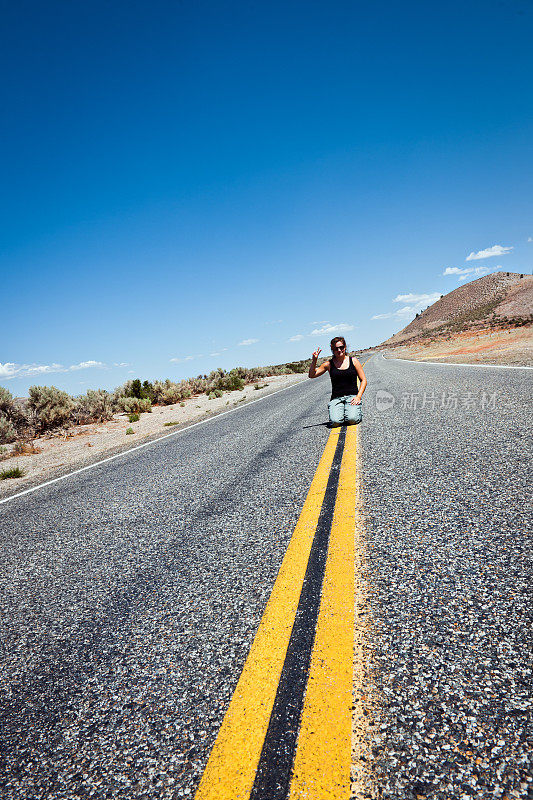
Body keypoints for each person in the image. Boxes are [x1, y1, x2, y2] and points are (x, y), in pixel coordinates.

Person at [308, 337, 367, 426]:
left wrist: (358, 397)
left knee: (352, 419)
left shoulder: (353, 361)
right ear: (332, 349)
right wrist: (314, 360)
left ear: (345, 347)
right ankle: (339, 411)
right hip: (336, 398)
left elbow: (363, 380)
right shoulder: (329, 364)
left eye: (341, 347)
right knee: (336, 422)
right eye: (336, 349)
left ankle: (355, 412)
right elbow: (312, 375)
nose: (339, 350)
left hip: (352, 397)